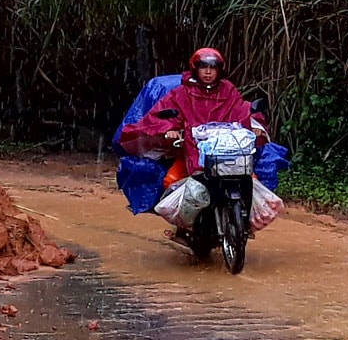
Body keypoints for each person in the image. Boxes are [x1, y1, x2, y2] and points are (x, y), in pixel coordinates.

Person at [116, 48, 285, 235]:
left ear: (219, 70)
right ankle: (184, 227)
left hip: (227, 153)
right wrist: (169, 130)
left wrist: (252, 126)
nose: (208, 72)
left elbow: (241, 111)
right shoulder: (181, 93)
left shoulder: (228, 90)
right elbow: (163, 115)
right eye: (203, 67)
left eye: (213, 67)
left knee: (253, 182)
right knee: (170, 181)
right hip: (193, 151)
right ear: (195, 68)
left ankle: (243, 223)